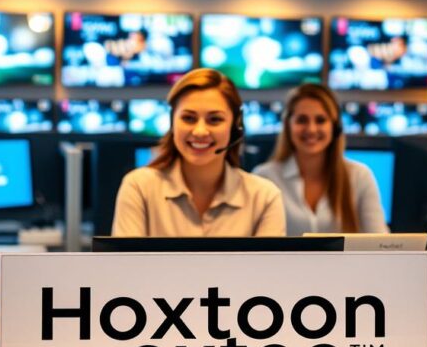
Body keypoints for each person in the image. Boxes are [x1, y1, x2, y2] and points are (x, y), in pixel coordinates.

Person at [112, 68, 286, 237]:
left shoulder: (264, 198)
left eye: (214, 119)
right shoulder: (139, 188)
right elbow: (126, 258)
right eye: (189, 118)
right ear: (172, 122)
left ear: (235, 127)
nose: (200, 131)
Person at [253, 82, 387, 235]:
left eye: (320, 120)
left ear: (335, 128)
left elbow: (380, 242)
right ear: (288, 126)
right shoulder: (264, 178)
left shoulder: (360, 176)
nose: (311, 129)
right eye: (302, 120)